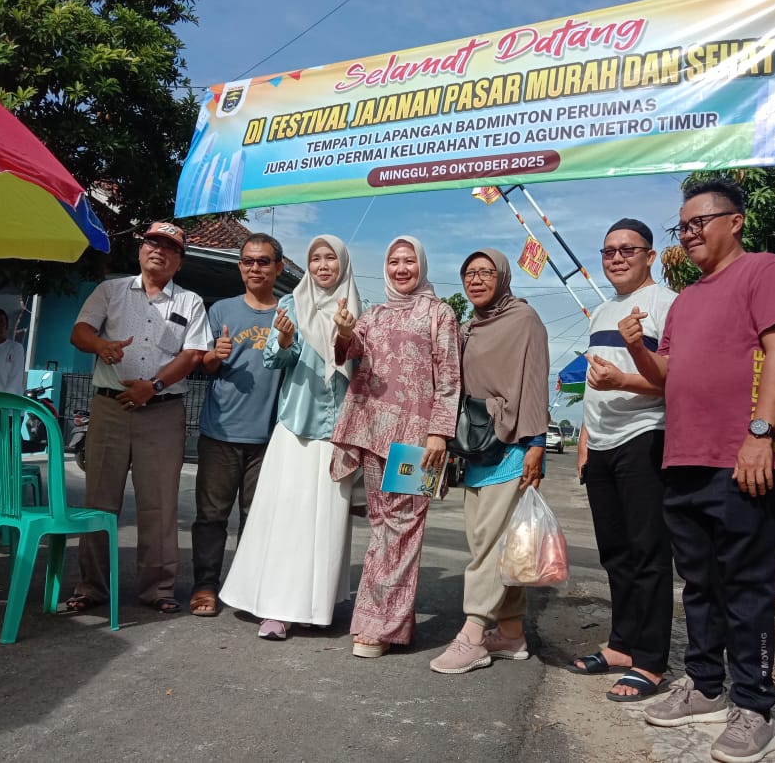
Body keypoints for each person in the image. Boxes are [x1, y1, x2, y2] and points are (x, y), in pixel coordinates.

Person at [622, 179, 775, 763]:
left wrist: (758, 435)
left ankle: (754, 705)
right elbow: (667, 373)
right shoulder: (688, 299)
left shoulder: (765, 271)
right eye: (684, 226)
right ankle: (704, 684)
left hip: (744, 457)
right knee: (698, 583)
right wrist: (638, 351)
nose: (690, 234)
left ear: (735, 222)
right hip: (685, 456)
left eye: (700, 222)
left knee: (746, 585)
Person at [219, 234, 362, 638]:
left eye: (330, 258)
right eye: (315, 258)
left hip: (336, 431)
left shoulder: (356, 309)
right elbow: (274, 359)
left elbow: (359, 366)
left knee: (326, 522)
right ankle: (277, 607)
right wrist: (283, 339)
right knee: (285, 518)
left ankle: (317, 604)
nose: (321, 265)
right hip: (296, 426)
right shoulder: (289, 304)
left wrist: (348, 336)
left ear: (343, 264)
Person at [66, 221, 209, 613]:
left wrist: (155, 386)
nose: (158, 250)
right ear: (140, 249)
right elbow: (80, 332)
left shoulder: (190, 302)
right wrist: (100, 345)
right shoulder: (110, 290)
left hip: (162, 411)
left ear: (179, 261)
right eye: (151, 243)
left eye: (168, 247)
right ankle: (91, 587)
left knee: (159, 503)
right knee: (99, 499)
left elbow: (193, 354)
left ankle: (157, 590)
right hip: (110, 406)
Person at [330, 235, 461, 658]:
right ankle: (387, 622)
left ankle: (379, 626)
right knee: (384, 526)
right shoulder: (374, 313)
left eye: (409, 261)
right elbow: (348, 352)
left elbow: (449, 377)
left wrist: (440, 433)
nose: (401, 268)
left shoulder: (439, 314)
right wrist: (345, 332)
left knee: (405, 528)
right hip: (372, 432)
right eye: (393, 261)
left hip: (417, 441)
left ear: (421, 266)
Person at [568, 219, 677, 702]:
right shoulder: (602, 312)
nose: (616, 257)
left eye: (627, 249)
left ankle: (652, 660)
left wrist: (624, 384)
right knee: (615, 552)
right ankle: (622, 645)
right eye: (608, 250)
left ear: (650, 255)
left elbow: (677, 380)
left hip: (645, 436)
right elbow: (596, 385)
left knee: (648, 553)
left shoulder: (667, 305)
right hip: (603, 443)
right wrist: (587, 435)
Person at [429, 249, 549, 675]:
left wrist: (537, 443)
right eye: (469, 273)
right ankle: (512, 633)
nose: (476, 279)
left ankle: (474, 634)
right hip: (475, 446)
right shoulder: (468, 328)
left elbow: (535, 379)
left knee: (489, 547)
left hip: (513, 445)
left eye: (485, 272)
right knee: (493, 544)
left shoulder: (524, 319)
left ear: (502, 276)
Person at [189, 232, 285, 618]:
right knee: (211, 517)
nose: (255, 268)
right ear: (240, 266)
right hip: (221, 432)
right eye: (248, 261)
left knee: (257, 519)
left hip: (270, 437)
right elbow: (204, 366)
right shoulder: (222, 311)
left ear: (279, 267)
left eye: (264, 261)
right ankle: (205, 585)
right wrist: (216, 355)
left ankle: (247, 588)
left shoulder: (288, 313)